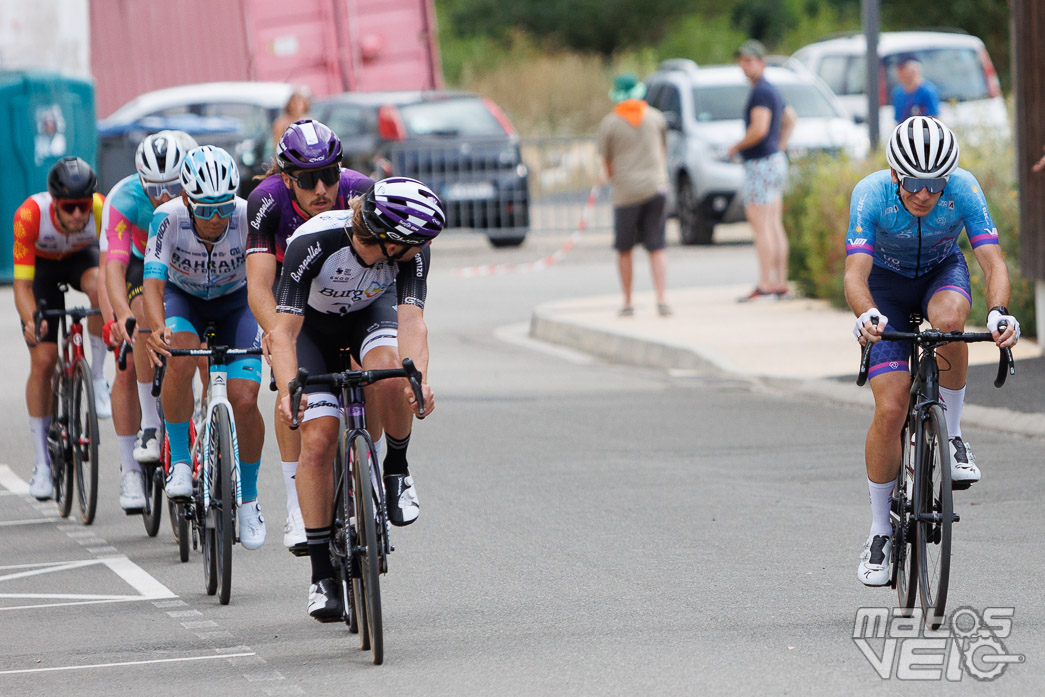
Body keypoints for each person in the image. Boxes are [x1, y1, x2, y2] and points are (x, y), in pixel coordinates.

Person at [846, 116, 1020, 586]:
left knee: (949, 324)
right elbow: (855, 274)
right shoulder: (870, 194)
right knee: (891, 407)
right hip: (885, 286)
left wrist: (1000, 311)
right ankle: (881, 530)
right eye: (915, 183)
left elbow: (992, 260)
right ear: (895, 175)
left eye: (936, 183)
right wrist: (867, 315)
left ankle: (955, 433)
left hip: (942, 272)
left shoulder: (964, 188)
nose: (925, 194)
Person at [268, 177, 441, 621]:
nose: (420, 249)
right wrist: (290, 389)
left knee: (390, 377)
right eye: (414, 243)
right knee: (320, 438)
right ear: (388, 240)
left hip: (368, 315)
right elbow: (283, 332)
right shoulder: (313, 241)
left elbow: (413, 324)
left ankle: (396, 469)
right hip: (310, 330)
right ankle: (321, 575)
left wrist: (416, 378)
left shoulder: (410, 252)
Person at [246, 118, 373, 553]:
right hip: (291, 290)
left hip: (347, 293)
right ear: (287, 179)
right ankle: (297, 506)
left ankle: (368, 468)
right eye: (307, 179)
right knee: (289, 385)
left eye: (329, 174)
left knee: (369, 371)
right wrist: (274, 332)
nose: (322, 188)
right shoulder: (267, 201)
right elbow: (260, 286)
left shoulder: (361, 192)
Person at [142, 145, 267, 549]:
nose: (216, 220)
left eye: (223, 208)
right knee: (178, 354)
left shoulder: (248, 214)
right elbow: (152, 284)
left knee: (245, 398)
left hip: (236, 304)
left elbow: (268, 279)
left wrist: (272, 329)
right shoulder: (168, 218)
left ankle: (248, 501)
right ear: (185, 199)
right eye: (206, 209)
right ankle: (180, 460)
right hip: (185, 300)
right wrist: (157, 328)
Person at [101, 130, 195, 510]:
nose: (163, 197)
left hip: (188, 263)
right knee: (138, 322)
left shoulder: (202, 188)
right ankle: (147, 430)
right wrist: (121, 314)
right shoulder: (123, 197)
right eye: (153, 188)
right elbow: (113, 265)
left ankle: (207, 423)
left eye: (172, 187)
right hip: (142, 263)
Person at [13, 157, 112, 500]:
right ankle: (42, 464)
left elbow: (112, 269)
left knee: (100, 287)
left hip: (81, 261)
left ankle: (97, 376)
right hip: (41, 271)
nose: (77, 215)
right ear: (55, 202)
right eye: (69, 208)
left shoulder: (100, 209)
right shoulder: (30, 216)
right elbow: (23, 287)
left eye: (82, 206)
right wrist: (31, 321)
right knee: (43, 361)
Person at [597, 72, 671, 317]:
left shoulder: (610, 123)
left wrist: (610, 177)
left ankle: (628, 301)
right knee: (656, 246)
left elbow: (607, 163)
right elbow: (663, 151)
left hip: (626, 192)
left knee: (625, 249)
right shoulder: (656, 118)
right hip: (655, 188)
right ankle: (661, 298)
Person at [729, 39, 797, 302]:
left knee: (761, 226)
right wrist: (779, 146)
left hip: (760, 164)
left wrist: (736, 146)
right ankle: (780, 283)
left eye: (749, 61)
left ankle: (766, 284)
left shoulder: (760, 92)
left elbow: (759, 128)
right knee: (774, 224)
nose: (744, 67)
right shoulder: (772, 90)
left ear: (761, 62)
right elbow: (791, 119)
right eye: (742, 62)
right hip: (774, 161)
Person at [891, 54, 940, 123]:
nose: (899, 73)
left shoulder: (927, 91)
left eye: (902, 68)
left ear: (914, 70)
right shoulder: (898, 93)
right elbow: (898, 120)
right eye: (898, 69)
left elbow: (935, 118)